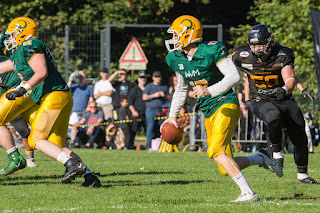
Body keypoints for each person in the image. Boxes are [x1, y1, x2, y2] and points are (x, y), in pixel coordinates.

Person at [162, 15, 282, 202]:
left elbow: (233, 77)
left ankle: (248, 193)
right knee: (223, 166)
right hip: (208, 110)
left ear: (189, 34)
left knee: (216, 151)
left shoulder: (211, 50)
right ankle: (261, 158)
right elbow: (181, 88)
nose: (174, 39)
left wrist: (208, 90)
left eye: (177, 35)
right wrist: (172, 116)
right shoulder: (176, 58)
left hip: (226, 103)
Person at [0, 17, 101, 187]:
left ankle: (71, 164)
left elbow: (41, 72)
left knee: (35, 140)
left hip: (54, 95)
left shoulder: (29, 44)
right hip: (57, 97)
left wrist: (23, 88)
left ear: (21, 31)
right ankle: (90, 177)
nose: (9, 38)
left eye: (12, 34)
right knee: (56, 143)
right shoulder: (19, 54)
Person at [230, 24, 318, 184]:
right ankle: (276, 153)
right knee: (273, 115)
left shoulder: (282, 54)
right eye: (254, 44)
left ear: (270, 42)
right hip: (260, 98)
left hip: (282, 97)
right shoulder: (241, 55)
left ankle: (303, 175)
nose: (257, 48)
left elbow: (290, 78)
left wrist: (284, 90)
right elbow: (224, 65)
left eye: (261, 44)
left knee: (300, 134)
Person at [143, 71, 169, 149]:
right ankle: (149, 146)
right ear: (153, 78)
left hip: (161, 110)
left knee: (160, 129)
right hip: (150, 110)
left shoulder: (164, 87)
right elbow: (144, 97)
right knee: (150, 128)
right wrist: (154, 95)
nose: (157, 78)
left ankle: (159, 146)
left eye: (159, 77)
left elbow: (169, 98)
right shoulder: (149, 86)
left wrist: (164, 96)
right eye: (156, 77)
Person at [68, 70, 94, 143]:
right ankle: (74, 142)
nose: (81, 78)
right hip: (75, 111)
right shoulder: (74, 87)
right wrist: (71, 78)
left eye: (83, 77)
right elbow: (65, 89)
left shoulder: (88, 88)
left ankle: (82, 142)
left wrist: (89, 108)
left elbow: (91, 99)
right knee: (74, 127)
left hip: (84, 111)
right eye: (80, 76)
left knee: (83, 128)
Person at [128, 73, 146, 149]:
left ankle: (150, 146)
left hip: (146, 114)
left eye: (144, 78)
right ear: (138, 79)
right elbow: (130, 103)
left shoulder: (147, 89)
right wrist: (133, 111)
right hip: (136, 113)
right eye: (141, 78)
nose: (143, 79)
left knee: (149, 131)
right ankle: (131, 145)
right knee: (133, 131)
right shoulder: (134, 90)